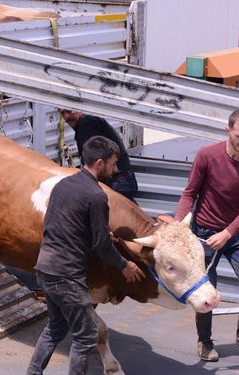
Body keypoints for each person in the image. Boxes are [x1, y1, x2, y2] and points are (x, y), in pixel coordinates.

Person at [27, 135, 145, 375]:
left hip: (46, 267)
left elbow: (57, 224)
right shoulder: (97, 196)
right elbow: (102, 246)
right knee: (85, 336)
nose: (116, 169)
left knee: (56, 328)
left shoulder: (64, 184)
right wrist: (125, 265)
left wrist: (98, 234)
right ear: (99, 163)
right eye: (113, 164)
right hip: (67, 276)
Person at [175, 109, 239, 363]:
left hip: (234, 236)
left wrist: (227, 233)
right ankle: (205, 342)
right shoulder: (207, 155)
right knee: (206, 294)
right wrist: (178, 225)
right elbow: (190, 193)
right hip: (203, 235)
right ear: (228, 130)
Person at [59, 109, 138, 201]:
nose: (67, 117)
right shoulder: (86, 122)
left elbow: (93, 160)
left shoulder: (86, 124)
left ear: (79, 109)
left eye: (69, 111)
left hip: (118, 181)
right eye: (62, 113)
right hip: (122, 180)